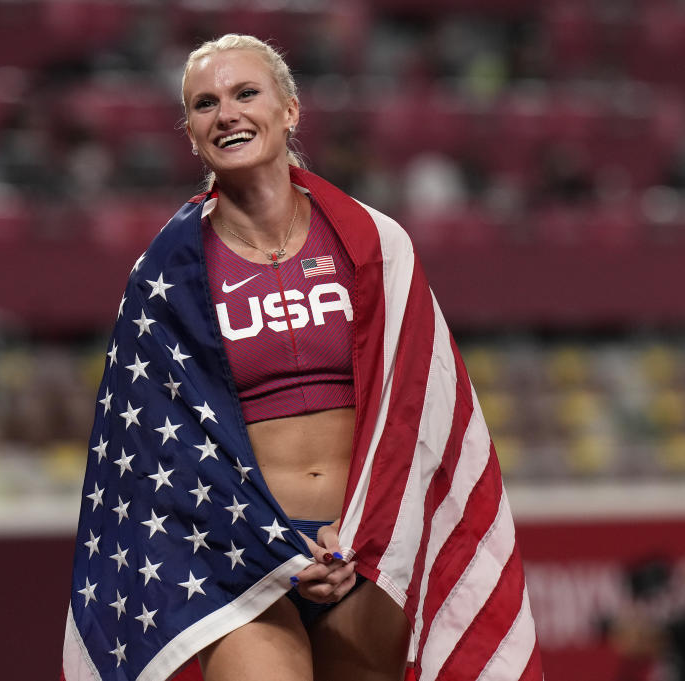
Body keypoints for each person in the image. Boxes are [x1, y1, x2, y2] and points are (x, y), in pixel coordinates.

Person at [64, 34, 542, 681]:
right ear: (190, 132)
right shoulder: (164, 275)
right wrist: (268, 540)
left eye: (244, 93)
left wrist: (362, 530)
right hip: (236, 552)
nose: (226, 113)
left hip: (366, 541)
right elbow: (155, 449)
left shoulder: (374, 243)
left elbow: (415, 406)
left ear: (289, 110)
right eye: (204, 103)